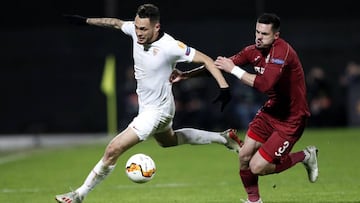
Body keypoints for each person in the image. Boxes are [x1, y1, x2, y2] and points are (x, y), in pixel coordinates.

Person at [55, 4, 243, 203]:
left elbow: (206, 59)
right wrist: (85, 21)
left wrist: (223, 87)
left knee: (113, 150)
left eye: (143, 29)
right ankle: (224, 138)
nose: (138, 33)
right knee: (168, 141)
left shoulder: (170, 46)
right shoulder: (135, 32)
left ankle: (79, 194)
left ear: (157, 27)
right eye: (136, 27)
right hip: (155, 107)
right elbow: (115, 23)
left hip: (156, 112)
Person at [171, 13, 319, 203]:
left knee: (257, 167)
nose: (259, 36)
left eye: (264, 34)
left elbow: (264, 84)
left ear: (276, 36)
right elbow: (220, 66)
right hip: (271, 110)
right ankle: (254, 201)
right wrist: (186, 75)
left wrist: (233, 69)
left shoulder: (282, 52)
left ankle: (305, 156)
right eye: (257, 31)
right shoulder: (253, 51)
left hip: (291, 118)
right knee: (244, 156)